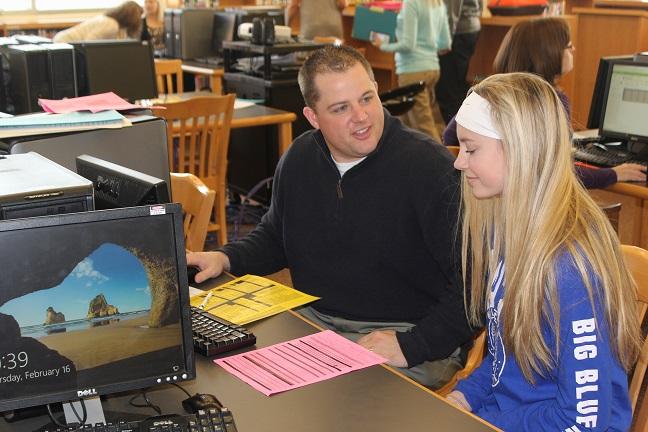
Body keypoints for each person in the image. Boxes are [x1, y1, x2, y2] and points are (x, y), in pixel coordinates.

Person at [187, 45, 473, 389]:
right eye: (341, 108)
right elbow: (277, 237)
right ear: (313, 117)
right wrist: (224, 257)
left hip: (408, 333)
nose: (362, 116)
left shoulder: (429, 168)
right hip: (315, 323)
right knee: (225, 376)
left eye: (367, 99)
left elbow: (475, 283)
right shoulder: (300, 158)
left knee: (338, 404)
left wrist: (412, 345)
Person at [445, 72, 641, 430]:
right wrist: (464, 396)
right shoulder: (514, 232)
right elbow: (503, 357)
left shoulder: (568, 269)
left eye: (471, 149)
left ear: (521, 151)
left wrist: (490, 420)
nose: (460, 162)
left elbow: (585, 419)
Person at [443, 17, 646, 188]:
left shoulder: (488, 92)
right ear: (548, 54)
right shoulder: (549, 103)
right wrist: (613, 174)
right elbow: (556, 173)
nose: (573, 49)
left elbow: (450, 137)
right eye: (568, 45)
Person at [373, 0, 451, 142]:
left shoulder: (411, 3)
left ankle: (442, 162)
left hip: (413, 70)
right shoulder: (438, 3)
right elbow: (445, 43)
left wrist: (383, 45)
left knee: (424, 127)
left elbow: (408, 45)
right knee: (415, 122)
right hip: (432, 68)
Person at [436, 0, 482, 124]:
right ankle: (461, 131)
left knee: (448, 90)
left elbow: (451, 9)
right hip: (469, 26)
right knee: (458, 85)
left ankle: (456, 136)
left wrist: (445, 40)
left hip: (456, 33)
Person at [53, 1, 143, 43]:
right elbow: (89, 43)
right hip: (64, 43)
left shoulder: (110, 21)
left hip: (63, 40)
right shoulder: (111, 25)